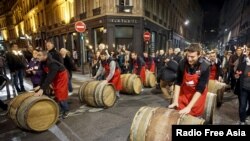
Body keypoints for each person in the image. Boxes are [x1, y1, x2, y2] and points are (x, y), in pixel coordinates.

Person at [168, 43, 210, 117]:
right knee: (179, 113)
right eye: (188, 56)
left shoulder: (205, 66)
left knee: (193, 115)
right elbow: (178, 82)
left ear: (199, 55)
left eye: (192, 57)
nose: (189, 59)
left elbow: (200, 89)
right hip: (185, 92)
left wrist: (189, 107)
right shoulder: (182, 63)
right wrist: (175, 101)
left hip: (197, 95)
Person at [34, 50, 69, 119]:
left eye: (39, 55)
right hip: (55, 76)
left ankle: (66, 110)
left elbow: (49, 77)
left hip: (62, 76)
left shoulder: (52, 63)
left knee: (60, 92)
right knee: (56, 92)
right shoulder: (42, 63)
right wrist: (39, 85)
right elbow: (43, 75)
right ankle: (62, 108)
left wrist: (42, 89)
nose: (37, 57)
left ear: (45, 56)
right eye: (37, 55)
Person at [234, 46, 250, 125]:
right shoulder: (243, 63)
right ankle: (242, 121)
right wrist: (236, 75)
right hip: (243, 88)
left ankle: (245, 115)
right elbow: (237, 72)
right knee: (242, 105)